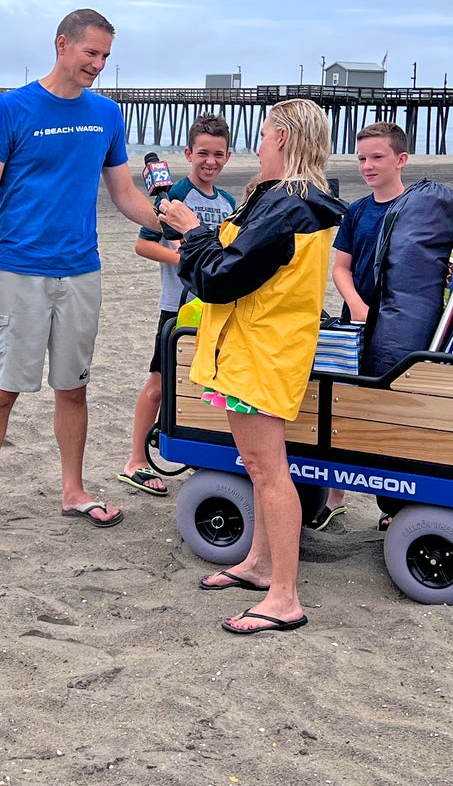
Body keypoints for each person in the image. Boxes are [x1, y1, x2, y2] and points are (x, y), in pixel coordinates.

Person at [0, 9, 162, 536]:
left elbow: (124, 195)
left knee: (73, 388)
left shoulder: (106, 116)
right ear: (62, 44)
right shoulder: (11, 108)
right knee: (2, 388)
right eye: (91, 53)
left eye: (106, 57)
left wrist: (172, 222)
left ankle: (74, 490)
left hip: (81, 271)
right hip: (19, 268)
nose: (98, 65)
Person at [160, 98, 343, 636]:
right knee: (259, 468)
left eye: (264, 135)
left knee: (267, 470)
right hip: (261, 348)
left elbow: (220, 277)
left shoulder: (289, 205)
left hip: (261, 352)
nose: (259, 145)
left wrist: (192, 229)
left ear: (283, 137)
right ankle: (262, 566)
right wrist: (199, 235)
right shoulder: (296, 200)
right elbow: (236, 257)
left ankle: (285, 596)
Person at [118, 115, 235, 497]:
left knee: (207, 386)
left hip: (215, 308)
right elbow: (143, 244)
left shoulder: (229, 201)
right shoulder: (175, 195)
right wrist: (185, 260)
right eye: (202, 153)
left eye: (218, 154)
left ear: (228, 157)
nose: (210, 161)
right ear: (188, 153)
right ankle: (135, 459)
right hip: (178, 307)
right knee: (159, 383)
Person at [315, 121, 409, 528]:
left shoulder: (415, 207)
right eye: (362, 158)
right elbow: (340, 267)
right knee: (345, 406)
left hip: (402, 327)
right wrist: (356, 304)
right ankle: (335, 495)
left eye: (377, 158)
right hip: (356, 322)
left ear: (400, 160)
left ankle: (394, 507)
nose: (367, 166)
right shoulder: (356, 211)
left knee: (391, 412)